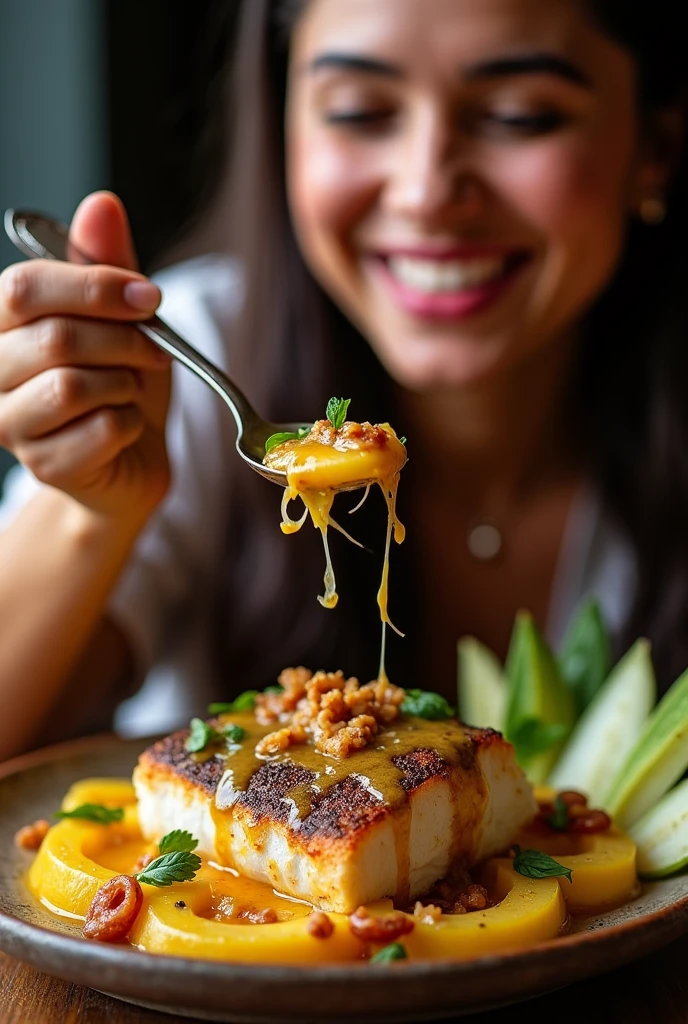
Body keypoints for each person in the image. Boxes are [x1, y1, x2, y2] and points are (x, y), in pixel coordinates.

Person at [0, 0, 686, 763]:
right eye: (360, 112)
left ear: (655, 144)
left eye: (519, 116)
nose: (425, 190)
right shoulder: (182, 360)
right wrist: (94, 516)